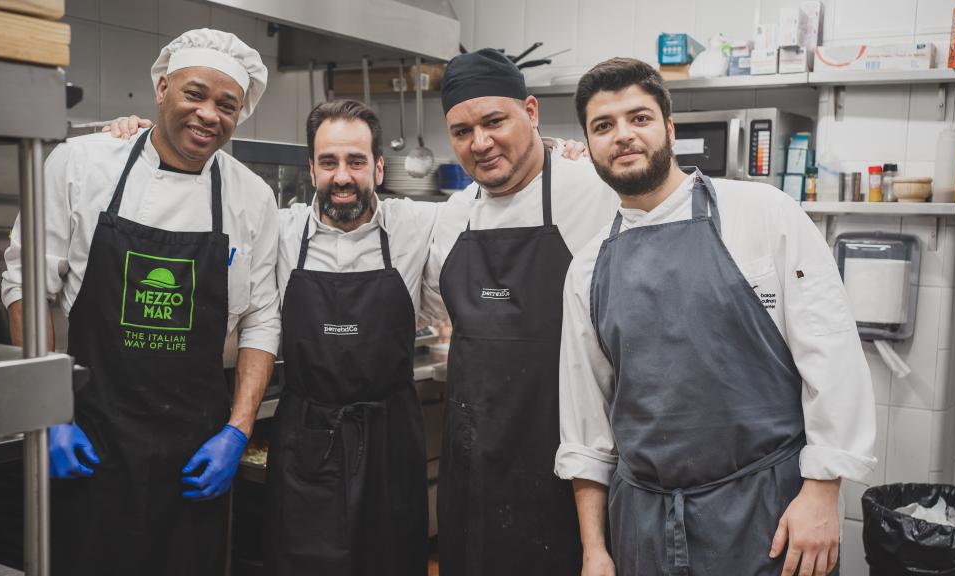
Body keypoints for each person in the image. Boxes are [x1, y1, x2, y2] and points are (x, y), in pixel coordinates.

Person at [558, 57, 877, 576]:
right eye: (603, 126)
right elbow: (585, 425)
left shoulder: (763, 214)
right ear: (589, 145)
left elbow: (833, 354)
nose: (622, 135)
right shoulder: (588, 266)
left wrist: (822, 492)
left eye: (638, 118)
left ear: (669, 128)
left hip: (767, 518)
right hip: (643, 525)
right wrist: (595, 550)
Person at [0, 29, 279, 576]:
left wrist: (238, 429)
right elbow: (27, 285)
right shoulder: (81, 165)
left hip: (195, 451)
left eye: (228, 105)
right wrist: (48, 413)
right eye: (195, 94)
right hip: (90, 439)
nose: (208, 114)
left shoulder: (252, 196)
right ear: (161, 87)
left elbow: (262, 318)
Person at [421, 48, 621, 576]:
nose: (479, 143)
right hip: (473, 461)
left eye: (494, 121)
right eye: (462, 131)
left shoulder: (596, 192)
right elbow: (442, 309)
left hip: (566, 463)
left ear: (530, 113)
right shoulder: (455, 215)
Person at [264, 99, 439, 575]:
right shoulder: (278, 231)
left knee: (392, 561)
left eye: (356, 161)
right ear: (311, 168)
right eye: (329, 162)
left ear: (379, 168)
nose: (342, 176)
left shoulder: (416, 224)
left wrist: (553, 152)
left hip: (390, 438)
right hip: (306, 437)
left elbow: (493, 195)